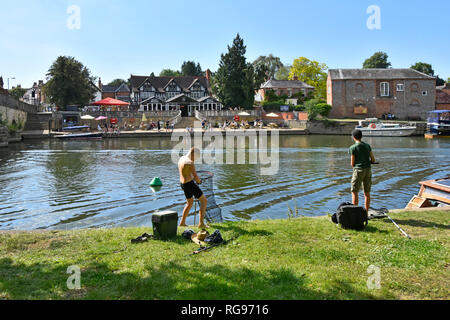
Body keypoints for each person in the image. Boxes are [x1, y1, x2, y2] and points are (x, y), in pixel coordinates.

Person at [178, 147, 208, 229]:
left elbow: (185, 172)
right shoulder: (190, 162)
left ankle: (182, 223)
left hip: (183, 184)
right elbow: (196, 177)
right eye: (196, 157)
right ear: (193, 154)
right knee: (204, 201)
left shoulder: (181, 158)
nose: (195, 159)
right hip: (190, 184)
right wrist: (199, 181)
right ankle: (201, 223)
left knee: (189, 203)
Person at [349, 129, 376, 212]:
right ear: (361, 136)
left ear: (353, 137)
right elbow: (373, 160)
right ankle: (366, 213)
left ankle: (355, 213)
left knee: (354, 191)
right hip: (368, 170)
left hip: (358, 171)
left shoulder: (352, 148)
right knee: (367, 193)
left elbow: (352, 164)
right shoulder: (367, 146)